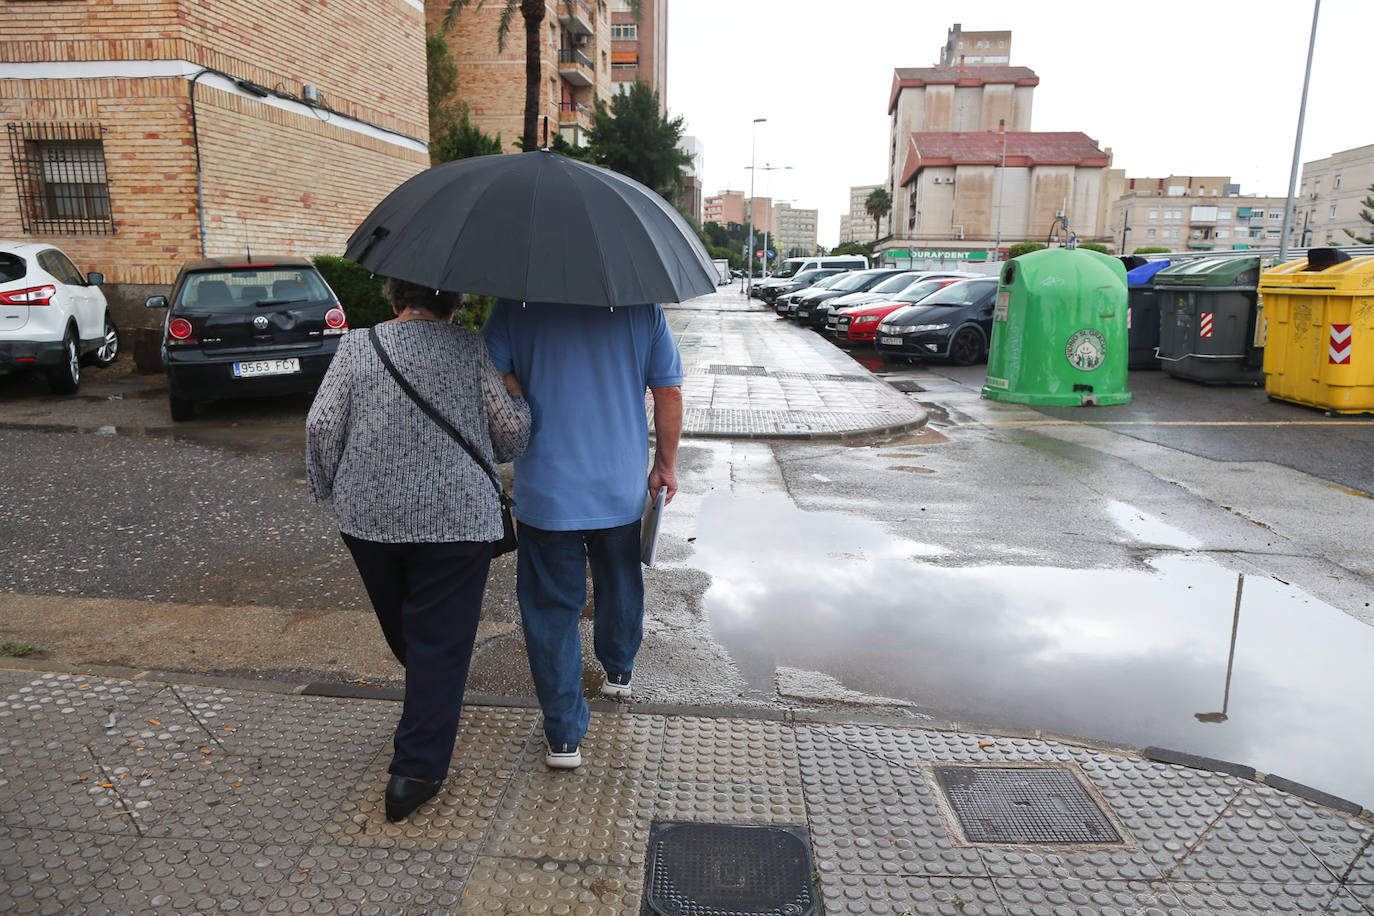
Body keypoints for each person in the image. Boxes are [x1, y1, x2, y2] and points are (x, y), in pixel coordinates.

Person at [306, 279, 530, 821]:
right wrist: (519, 398)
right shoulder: (472, 348)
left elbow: (320, 425)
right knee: (438, 642)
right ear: (457, 301)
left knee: (413, 634)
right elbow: (511, 439)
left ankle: (420, 751)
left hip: (370, 520)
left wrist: (329, 489)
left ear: (392, 296)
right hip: (458, 522)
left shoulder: (358, 345)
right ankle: (417, 769)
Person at [482, 299, 682, 770]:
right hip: (618, 488)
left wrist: (524, 387)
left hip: (546, 491)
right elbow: (668, 393)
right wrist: (666, 465)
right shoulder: (641, 310)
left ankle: (563, 737)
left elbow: (487, 381)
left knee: (551, 611)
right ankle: (618, 672)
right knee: (620, 582)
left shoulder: (516, 306)